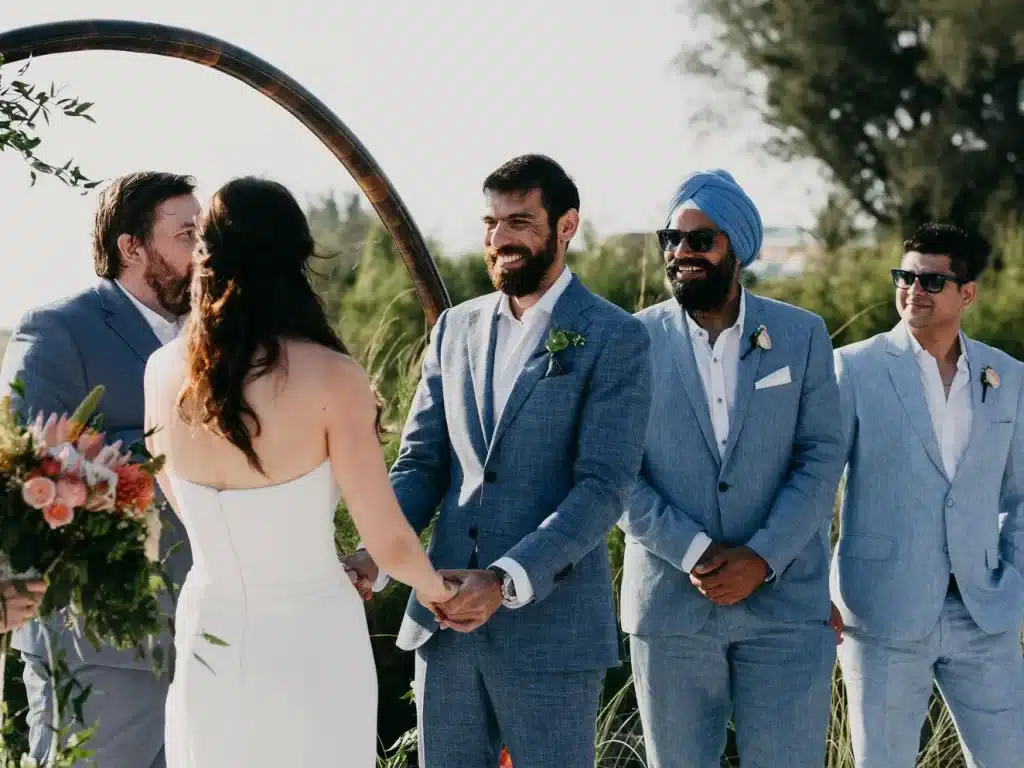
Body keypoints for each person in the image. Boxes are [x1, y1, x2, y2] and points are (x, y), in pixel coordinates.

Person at [344, 154, 654, 767]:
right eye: (490, 223)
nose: (499, 239)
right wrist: (374, 554)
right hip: (443, 623)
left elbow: (603, 487)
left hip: (552, 634)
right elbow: (422, 465)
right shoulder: (454, 328)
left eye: (520, 221)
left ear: (566, 226)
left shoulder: (616, 336)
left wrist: (506, 580)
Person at [143, 176, 457, 768]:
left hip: (209, 620)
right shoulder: (331, 376)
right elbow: (388, 539)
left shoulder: (160, 371)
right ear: (294, 259)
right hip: (311, 633)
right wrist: (439, 593)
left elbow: (176, 495)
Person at [618, 169, 846, 767]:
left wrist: (763, 556)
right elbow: (614, 470)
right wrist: (694, 551)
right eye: (671, 239)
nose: (680, 253)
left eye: (700, 240)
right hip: (671, 608)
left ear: (737, 249)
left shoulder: (802, 335)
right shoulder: (629, 342)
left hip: (786, 609)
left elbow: (821, 456)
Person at [0, 171, 199, 766]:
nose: (203, 251)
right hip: (96, 641)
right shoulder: (60, 327)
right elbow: (26, 465)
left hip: (207, 634)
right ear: (131, 247)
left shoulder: (220, 336)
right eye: (187, 234)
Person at [832, 223, 1024, 766]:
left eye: (932, 281)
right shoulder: (853, 368)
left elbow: (1021, 494)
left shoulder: (1007, 376)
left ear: (967, 294)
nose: (914, 290)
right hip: (879, 613)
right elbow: (815, 485)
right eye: (906, 277)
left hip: (984, 613)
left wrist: (1014, 583)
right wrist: (809, 588)